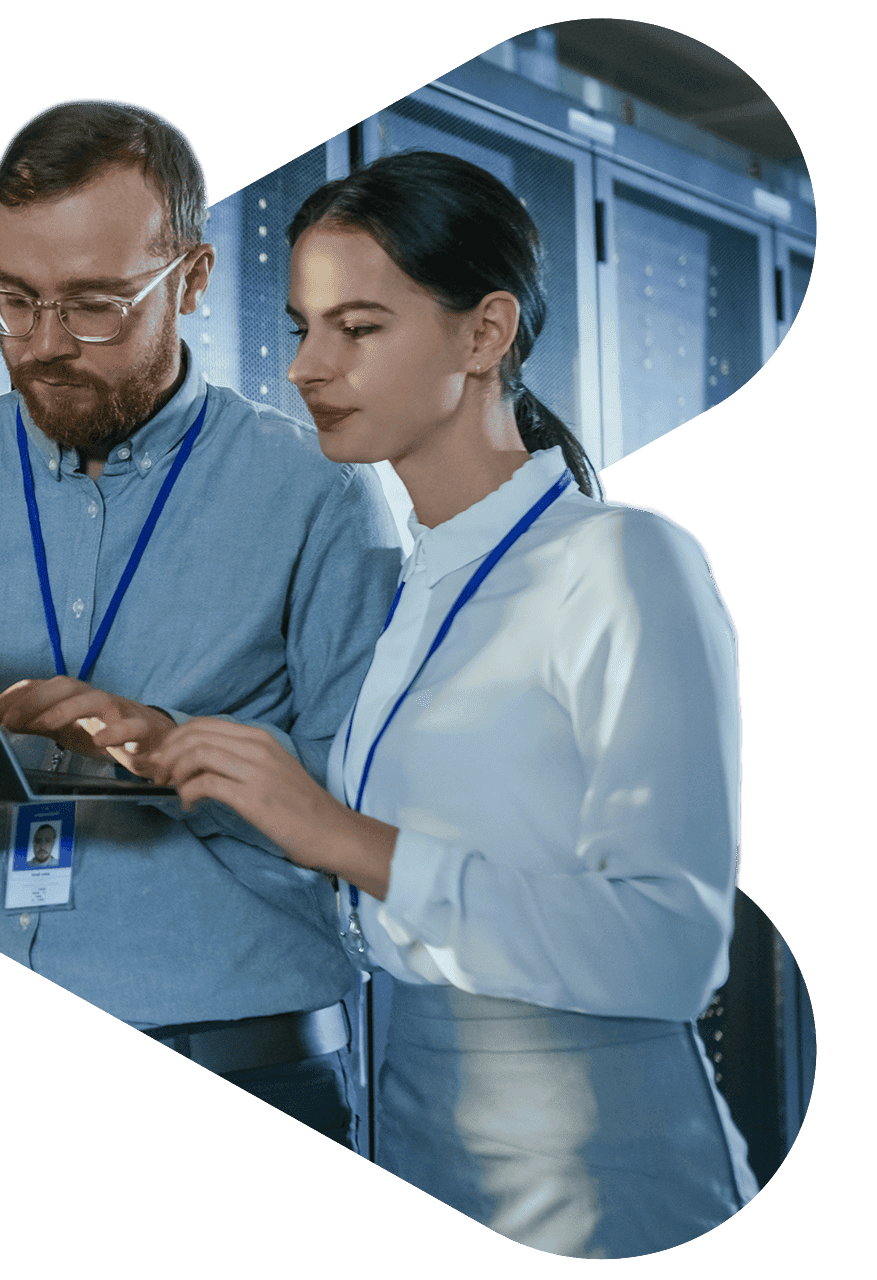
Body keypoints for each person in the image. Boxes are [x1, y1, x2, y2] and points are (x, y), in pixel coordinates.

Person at [140, 151, 759, 1257]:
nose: (303, 368)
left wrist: (338, 833)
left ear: (483, 336)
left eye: (358, 328)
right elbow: (426, 840)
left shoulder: (621, 562)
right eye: (300, 326)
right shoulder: (415, 582)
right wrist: (183, 754)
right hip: (405, 1113)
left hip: (588, 1162)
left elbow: (671, 945)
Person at [0, 100, 401, 1148]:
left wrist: (176, 753)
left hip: (238, 1064)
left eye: (94, 306)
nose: (43, 346)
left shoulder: (321, 497)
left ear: (193, 280)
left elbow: (381, 811)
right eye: (13, 300)